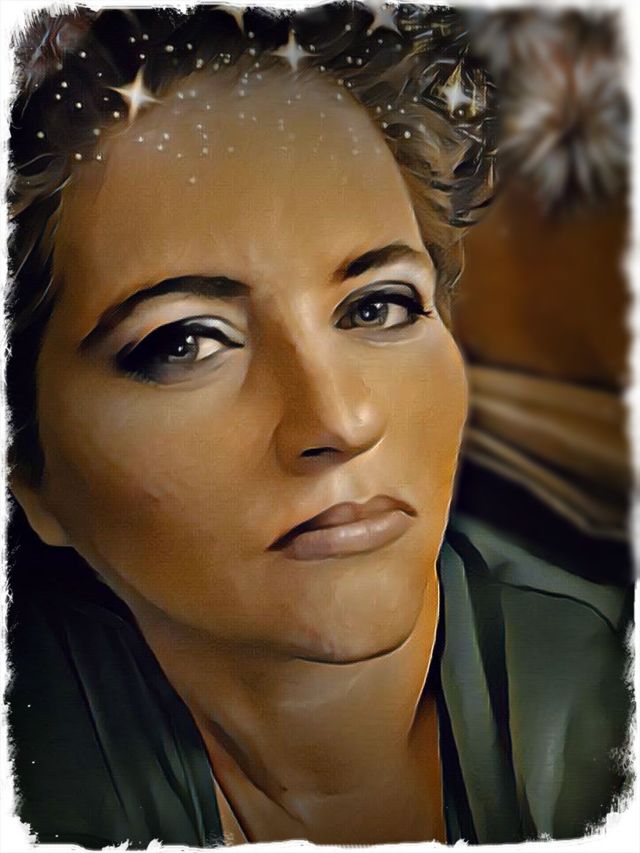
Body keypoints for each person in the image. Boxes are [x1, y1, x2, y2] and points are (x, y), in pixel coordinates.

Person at [5, 3, 632, 848]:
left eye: (378, 305)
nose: (340, 418)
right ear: (27, 466)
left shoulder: (609, 691)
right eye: (184, 342)